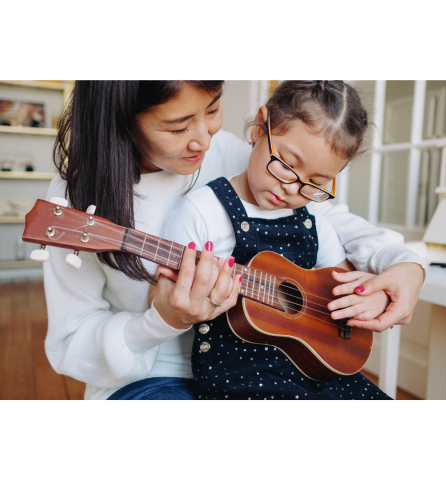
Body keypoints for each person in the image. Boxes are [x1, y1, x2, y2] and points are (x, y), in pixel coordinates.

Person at [44, 81, 424, 400]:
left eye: (212, 110)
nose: (203, 142)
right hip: (153, 377)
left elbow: (329, 221)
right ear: (120, 115)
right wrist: (160, 321)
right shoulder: (78, 195)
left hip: (285, 362)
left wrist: (406, 266)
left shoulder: (256, 156)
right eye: (177, 128)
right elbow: (70, 345)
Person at [150, 80, 399, 400]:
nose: (293, 190)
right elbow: (161, 296)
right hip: (240, 375)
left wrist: (368, 300)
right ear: (259, 126)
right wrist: (177, 302)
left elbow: (343, 284)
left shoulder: (313, 220)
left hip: (315, 370)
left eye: (316, 183)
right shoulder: (203, 212)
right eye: (286, 165)